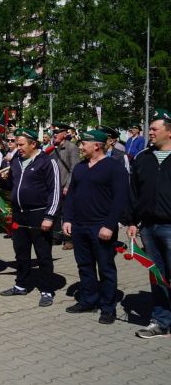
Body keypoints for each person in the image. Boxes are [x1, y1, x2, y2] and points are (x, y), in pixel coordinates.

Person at [63, 129, 129, 325]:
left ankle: (108, 307)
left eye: (84, 144)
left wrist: (109, 225)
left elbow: (120, 200)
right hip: (80, 227)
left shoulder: (114, 168)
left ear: (97, 146)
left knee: (106, 268)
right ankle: (88, 300)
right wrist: (67, 219)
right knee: (85, 266)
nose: (81, 147)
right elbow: (72, 196)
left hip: (101, 228)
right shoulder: (81, 168)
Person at [0, 129, 61, 307]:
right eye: (17, 144)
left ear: (33, 144)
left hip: (39, 214)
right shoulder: (16, 161)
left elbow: (55, 192)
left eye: (21, 144)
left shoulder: (47, 162)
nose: (18, 148)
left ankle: (47, 290)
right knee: (21, 253)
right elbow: (12, 185)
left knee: (43, 254)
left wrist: (49, 216)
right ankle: (21, 284)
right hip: (19, 214)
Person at [127, 108, 171, 338]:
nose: (150, 132)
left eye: (154, 129)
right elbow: (133, 192)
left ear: (169, 132)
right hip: (148, 228)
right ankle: (161, 321)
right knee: (157, 275)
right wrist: (132, 221)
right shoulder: (143, 157)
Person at [48, 123, 81, 249]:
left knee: (68, 213)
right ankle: (56, 237)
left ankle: (69, 239)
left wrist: (68, 185)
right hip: (56, 186)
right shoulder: (53, 148)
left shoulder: (71, 148)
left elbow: (75, 168)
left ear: (64, 134)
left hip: (67, 186)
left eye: (57, 133)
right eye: (53, 133)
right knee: (55, 213)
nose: (54, 135)